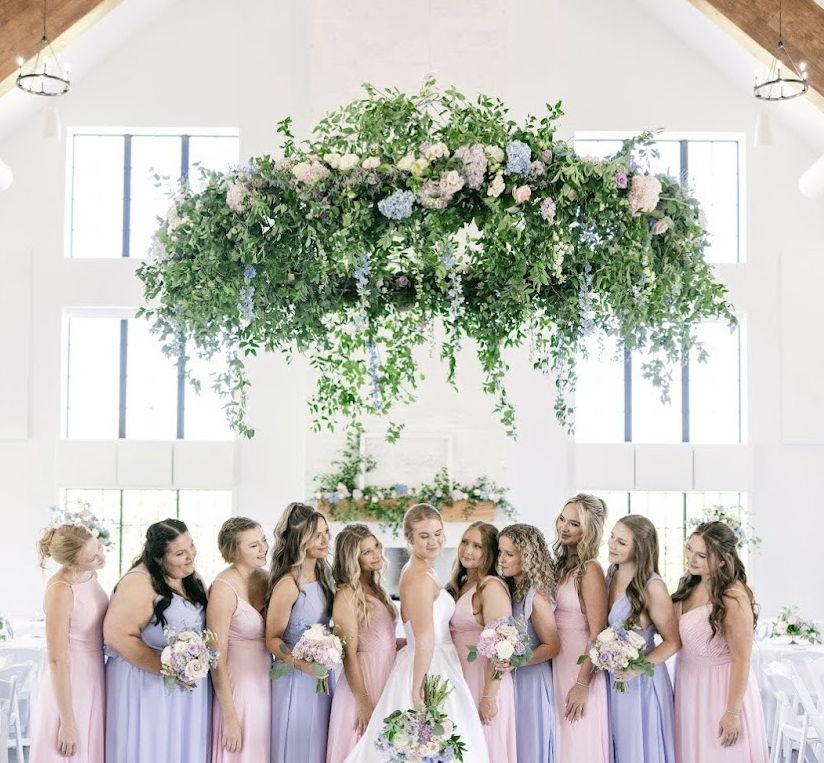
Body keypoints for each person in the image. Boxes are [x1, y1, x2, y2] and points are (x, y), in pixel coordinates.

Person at [344, 504, 490, 763]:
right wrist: (416, 690)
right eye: (424, 536)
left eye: (438, 533)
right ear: (409, 539)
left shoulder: (423, 570)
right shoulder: (419, 577)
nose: (433, 541)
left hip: (438, 659)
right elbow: (423, 638)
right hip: (430, 665)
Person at [104, 519, 211, 762]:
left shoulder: (190, 578)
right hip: (146, 685)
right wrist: (170, 669)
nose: (190, 556)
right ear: (158, 558)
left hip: (184, 685)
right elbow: (117, 636)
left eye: (191, 546)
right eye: (180, 553)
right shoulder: (138, 582)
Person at [672, 521, 768, 763]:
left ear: (723, 560)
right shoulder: (691, 584)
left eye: (702, 555)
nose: (691, 559)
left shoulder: (733, 597)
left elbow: (742, 659)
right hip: (689, 688)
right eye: (690, 549)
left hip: (719, 691)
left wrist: (732, 712)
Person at [30, 524, 108, 763]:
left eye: (99, 548)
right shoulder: (61, 590)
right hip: (70, 682)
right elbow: (57, 659)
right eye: (92, 558)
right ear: (72, 564)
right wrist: (67, 721)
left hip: (95, 673)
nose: (101, 557)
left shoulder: (90, 574)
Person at [606, 515, 679, 762]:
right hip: (614, 678)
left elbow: (673, 641)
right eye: (612, 537)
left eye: (621, 542)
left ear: (639, 549)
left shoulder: (652, 587)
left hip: (642, 683)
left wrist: (636, 669)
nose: (612, 545)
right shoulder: (610, 575)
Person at [266, 503, 336, 763]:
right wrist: (301, 664)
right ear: (299, 539)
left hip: (323, 674)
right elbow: (272, 639)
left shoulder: (325, 576)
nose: (325, 540)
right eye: (316, 535)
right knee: (296, 746)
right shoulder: (289, 584)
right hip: (295, 678)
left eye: (326, 532)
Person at [327, 524, 397, 763]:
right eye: (367, 552)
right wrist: (363, 701)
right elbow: (349, 653)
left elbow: (382, 638)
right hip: (364, 681)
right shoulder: (346, 594)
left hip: (387, 675)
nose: (376, 554)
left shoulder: (376, 588)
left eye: (376, 546)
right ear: (352, 559)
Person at [449, 521, 517, 762]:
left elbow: (502, 646)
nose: (468, 550)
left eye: (477, 546)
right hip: (460, 677)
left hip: (483, 680)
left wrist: (489, 696)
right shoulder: (461, 584)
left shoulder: (491, 586)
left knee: (485, 748)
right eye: (465, 542)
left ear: (489, 552)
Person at [552, 493, 610, 763]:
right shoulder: (562, 566)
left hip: (579, 669)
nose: (564, 527)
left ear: (589, 530)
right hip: (558, 664)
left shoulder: (590, 570)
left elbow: (598, 634)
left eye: (574, 524)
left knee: (579, 744)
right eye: (563, 519)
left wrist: (582, 684)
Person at [208, 517, 271, 762]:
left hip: (266, 681)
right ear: (234, 551)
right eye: (254, 545)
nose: (263, 548)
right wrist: (230, 717)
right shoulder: (223, 588)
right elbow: (216, 659)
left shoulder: (266, 579)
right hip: (237, 689)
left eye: (263, 541)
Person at [498, 523, 560, 762]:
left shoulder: (536, 597)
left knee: (530, 747)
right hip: (515, 681)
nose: (502, 559)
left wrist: (517, 662)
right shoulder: (513, 589)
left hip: (533, 683)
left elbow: (552, 646)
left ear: (527, 557)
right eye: (500, 552)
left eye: (509, 554)